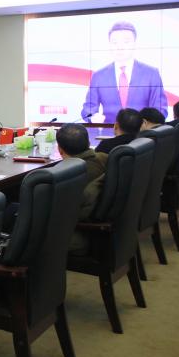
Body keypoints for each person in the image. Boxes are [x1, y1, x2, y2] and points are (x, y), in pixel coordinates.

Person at [81, 20, 167, 123]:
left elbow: (161, 109)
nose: (120, 47)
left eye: (126, 42)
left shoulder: (151, 74)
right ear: (109, 45)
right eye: (115, 42)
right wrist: (93, 117)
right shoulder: (99, 76)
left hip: (142, 131)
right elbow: (88, 109)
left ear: (135, 43)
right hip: (110, 131)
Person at [56, 124, 108, 253]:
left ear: (60, 149)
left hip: (77, 234)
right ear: (89, 143)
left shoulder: (67, 176)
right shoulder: (106, 159)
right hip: (103, 230)